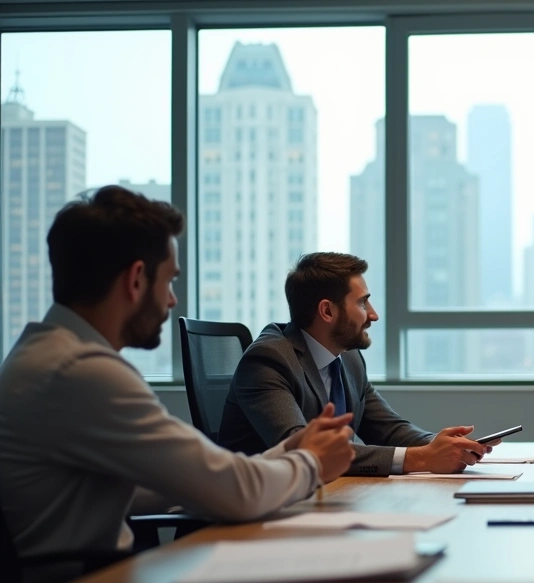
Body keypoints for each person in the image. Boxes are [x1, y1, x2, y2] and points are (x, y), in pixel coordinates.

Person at [0, 186, 355, 563]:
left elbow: (166, 484)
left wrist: (291, 449)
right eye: (169, 281)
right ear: (136, 279)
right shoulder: (83, 373)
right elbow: (236, 493)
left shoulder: (44, 356)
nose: (172, 299)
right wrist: (312, 463)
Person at [219, 253, 494, 475]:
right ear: (327, 311)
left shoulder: (348, 358)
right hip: (250, 521)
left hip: (317, 503)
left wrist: (446, 445)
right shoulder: (269, 360)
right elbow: (307, 449)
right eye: (362, 303)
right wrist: (422, 459)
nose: (373, 315)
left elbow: (388, 429)